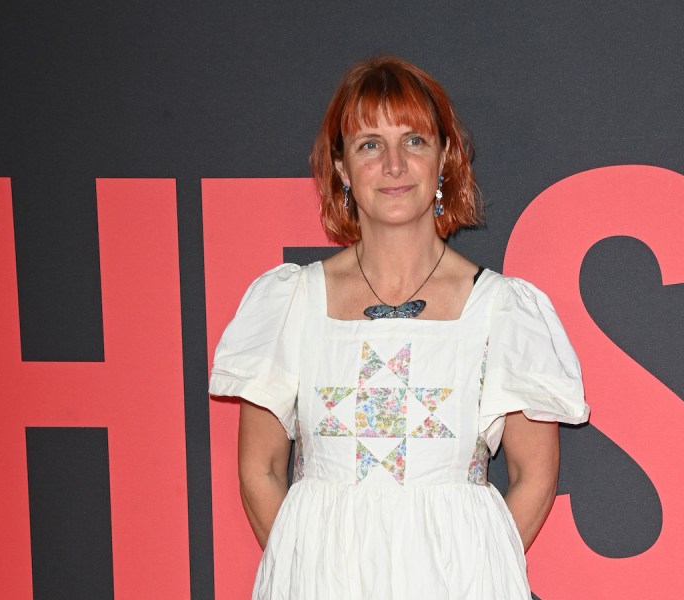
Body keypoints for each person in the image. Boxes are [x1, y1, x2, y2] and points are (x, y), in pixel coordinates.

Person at [209, 56, 590, 600]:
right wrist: (308, 571)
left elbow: (535, 477)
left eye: (413, 141)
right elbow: (260, 469)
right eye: (369, 144)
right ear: (341, 168)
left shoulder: (502, 310)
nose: (393, 165)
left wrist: (473, 575)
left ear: (444, 160)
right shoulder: (291, 302)